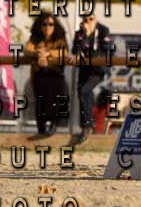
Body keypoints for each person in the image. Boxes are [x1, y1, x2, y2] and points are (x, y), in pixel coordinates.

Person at [24, 11, 71, 137]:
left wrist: (48, 53)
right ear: (40, 25)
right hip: (39, 74)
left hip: (55, 73)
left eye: (51, 24)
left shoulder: (60, 38)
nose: (47, 27)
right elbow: (27, 50)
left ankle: (54, 125)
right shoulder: (34, 38)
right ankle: (41, 128)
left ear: (55, 26)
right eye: (44, 24)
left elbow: (64, 52)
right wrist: (39, 53)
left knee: (57, 97)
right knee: (40, 100)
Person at [71, 11, 113, 144]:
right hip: (85, 69)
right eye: (85, 19)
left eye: (91, 19)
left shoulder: (103, 30)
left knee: (85, 90)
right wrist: (84, 37)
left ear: (95, 19)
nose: (88, 21)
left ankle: (88, 125)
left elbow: (106, 50)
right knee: (82, 92)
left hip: (97, 69)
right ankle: (86, 126)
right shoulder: (80, 33)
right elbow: (75, 50)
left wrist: (89, 36)